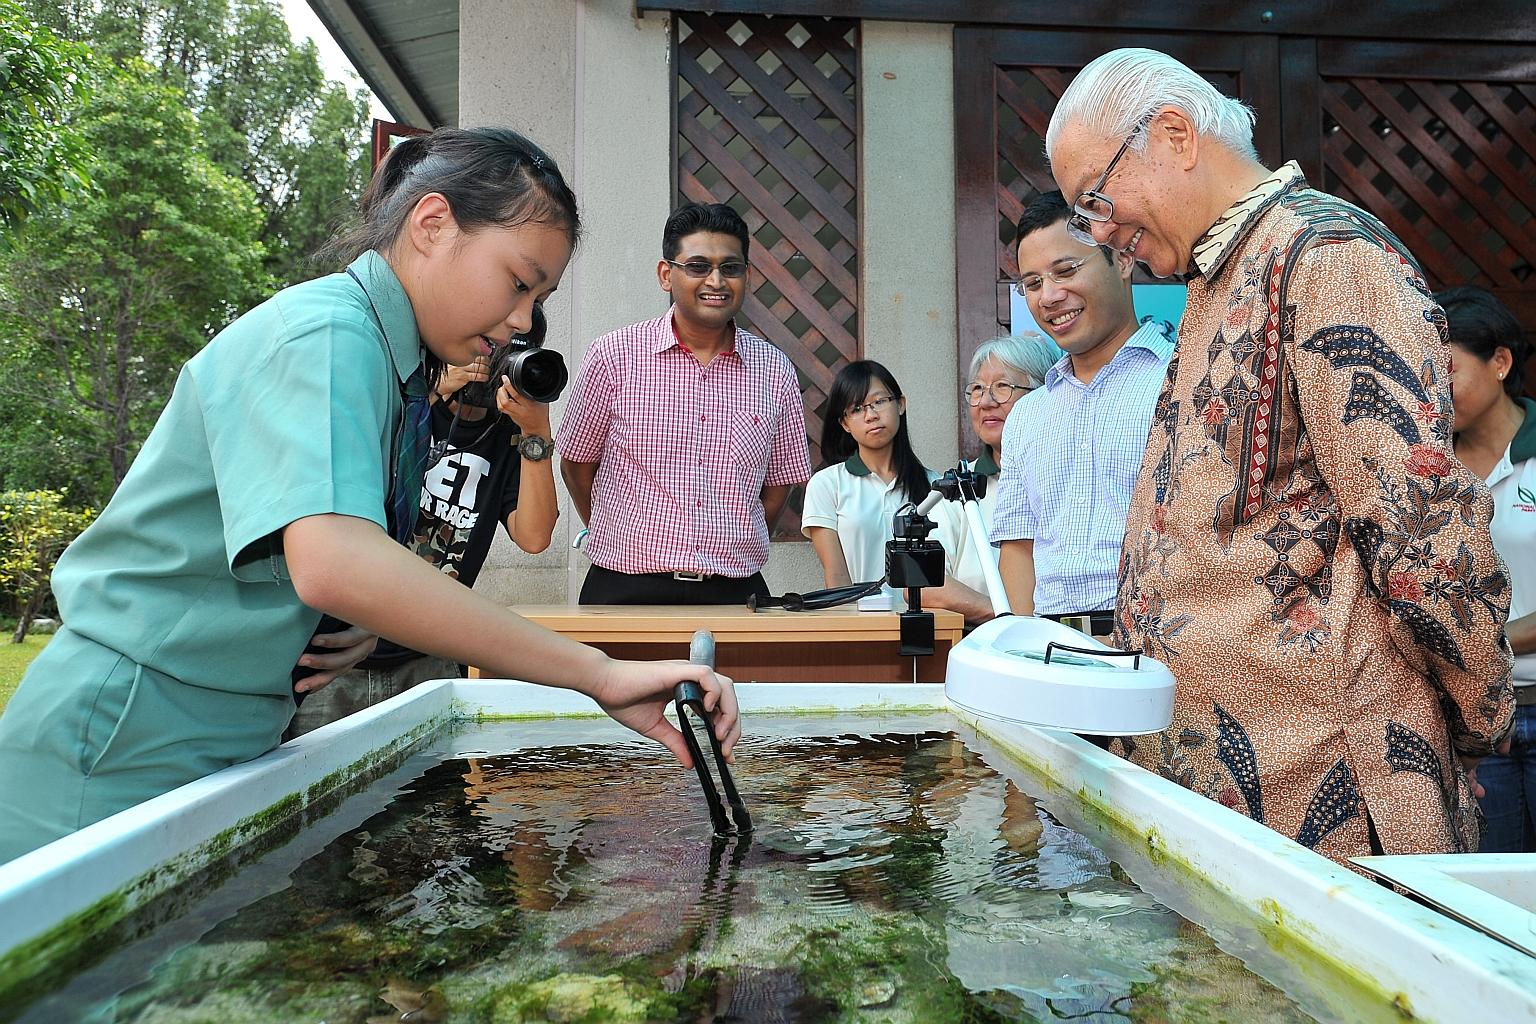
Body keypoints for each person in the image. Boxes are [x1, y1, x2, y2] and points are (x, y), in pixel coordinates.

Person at [0, 128, 739, 864]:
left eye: (539, 297)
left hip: (216, 731)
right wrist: (597, 673)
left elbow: (315, 562)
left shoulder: (395, 368)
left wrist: (339, 617)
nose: (522, 320)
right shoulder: (327, 333)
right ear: (432, 224)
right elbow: (336, 558)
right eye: (519, 282)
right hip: (128, 732)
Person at [1046, 47, 1512, 862]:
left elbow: (1423, 530)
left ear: (1175, 134)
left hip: (1321, 797)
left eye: (1096, 197)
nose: (1103, 232)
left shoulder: (1328, 259)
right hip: (1220, 800)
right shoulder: (1219, 274)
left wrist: (1475, 720)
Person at [287, 310, 560, 738]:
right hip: (337, 658)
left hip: (430, 655)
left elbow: (534, 536)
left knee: (431, 802)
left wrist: (537, 434)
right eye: (490, 344)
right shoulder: (399, 402)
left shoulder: (511, 439)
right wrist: (430, 393)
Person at [556, 202, 811, 605]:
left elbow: (778, 485)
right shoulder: (614, 355)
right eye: (697, 266)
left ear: (748, 276)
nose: (716, 280)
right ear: (666, 274)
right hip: (625, 587)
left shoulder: (773, 368)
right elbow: (575, 462)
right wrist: (618, 532)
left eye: (730, 268)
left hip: (735, 592)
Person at [990, 191, 1174, 637]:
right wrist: (1030, 646)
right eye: (1032, 284)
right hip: (1055, 651)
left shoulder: (1181, 384)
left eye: (1066, 270)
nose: (1049, 296)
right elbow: (1018, 547)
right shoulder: (1028, 414)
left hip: (1161, 647)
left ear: (1124, 259)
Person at [1439, 286, 1535, 852]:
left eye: (1445, 368)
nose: (1430, 385)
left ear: (1500, 361)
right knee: (1488, 899)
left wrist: (1488, 644)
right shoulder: (1426, 467)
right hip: (1475, 721)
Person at [922, 334, 1061, 624]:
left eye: (1002, 387)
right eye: (977, 389)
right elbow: (924, 584)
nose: (985, 402)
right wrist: (1011, 618)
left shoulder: (1072, 475)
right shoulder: (956, 485)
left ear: (1042, 394)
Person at [802, 360, 936, 598]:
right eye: (856, 409)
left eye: (879, 402)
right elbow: (837, 578)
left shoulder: (934, 488)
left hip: (924, 623)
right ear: (845, 423)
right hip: (861, 626)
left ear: (900, 404)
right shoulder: (827, 485)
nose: (871, 415)